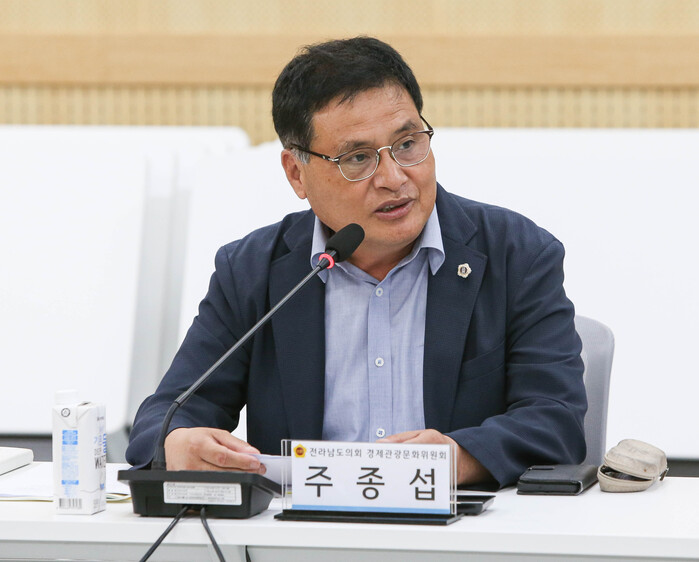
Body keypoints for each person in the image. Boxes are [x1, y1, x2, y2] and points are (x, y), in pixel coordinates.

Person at [126, 36, 587, 487]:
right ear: (296, 173)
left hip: (463, 523)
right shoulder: (253, 271)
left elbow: (555, 419)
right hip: (305, 527)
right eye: (359, 158)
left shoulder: (516, 255)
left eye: (407, 144)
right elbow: (166, 415)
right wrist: (177, 443)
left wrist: (458, 458)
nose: (394, 178)